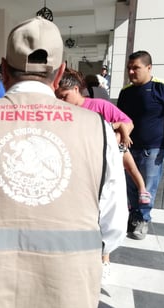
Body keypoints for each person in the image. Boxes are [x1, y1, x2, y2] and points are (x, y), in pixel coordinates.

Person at [0, 17, 128, 308]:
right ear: (60, 73)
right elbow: (113, 225)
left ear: (3, 69)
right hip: (68, 288)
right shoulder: (97, 127)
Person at [56, 67, 150, 280]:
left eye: (64, 96)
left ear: (77, 89)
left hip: (104, 165)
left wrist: (115, 135)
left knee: (105, 213)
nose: (61, 100)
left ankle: (104, 259)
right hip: (80, 169)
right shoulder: (63, 112)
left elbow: (127, 122)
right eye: (58, 97)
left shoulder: (99, 105)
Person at [117, 50, 164, 240]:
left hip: (153, 148)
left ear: (149, 68)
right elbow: (120, 119)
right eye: (129, 68)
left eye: (136, 68)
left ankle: (142, 219)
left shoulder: (163, 87)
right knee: (131, 184)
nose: (131, 72)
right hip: (129, 148)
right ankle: (133, 215)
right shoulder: (126, 92)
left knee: (147, 186)